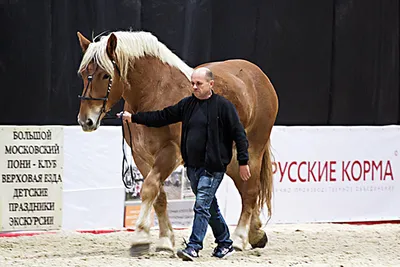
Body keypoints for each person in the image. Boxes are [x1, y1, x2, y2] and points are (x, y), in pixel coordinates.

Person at [118, 67, 251, 261]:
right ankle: (225, 242)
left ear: (210, 84)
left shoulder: (224, 107)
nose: (194, 87)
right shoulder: (187, 104)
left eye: (199, 84)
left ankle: (193, 246)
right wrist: (134, 118)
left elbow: (239, 135)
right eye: (193, 84)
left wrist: (243, 161)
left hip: (213, 167)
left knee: (201, 206)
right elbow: (162, 116)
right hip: (193, 167)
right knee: (210, 206)